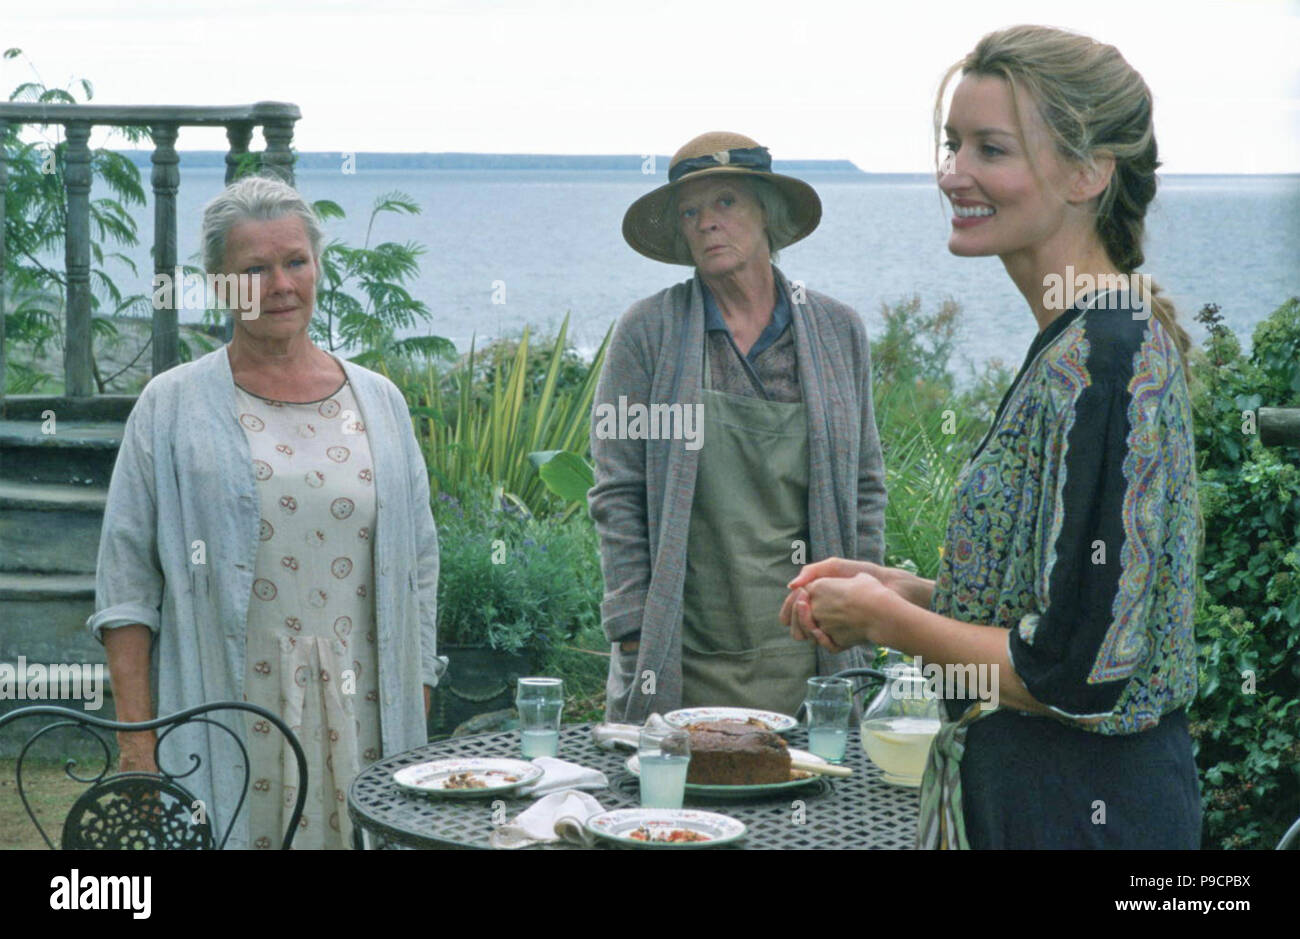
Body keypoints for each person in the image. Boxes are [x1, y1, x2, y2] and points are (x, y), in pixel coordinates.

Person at [784, 25, 1202, 849]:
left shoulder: (1108, 359)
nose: (953, 174)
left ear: (1088, 173)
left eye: (991, 148)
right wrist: (905, 591)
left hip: (1086, 815)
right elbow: (1057, 617)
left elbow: (1078, 676)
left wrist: (884, 622)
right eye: (952, 145)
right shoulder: (1080, 341)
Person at [88, 174, 446, 849]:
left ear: (317, 267)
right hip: (228, 712)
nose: (280, 284)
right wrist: (139, 750)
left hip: (366, 714)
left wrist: (414, 698)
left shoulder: (382, 403)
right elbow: (126, 588)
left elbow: (419, 566)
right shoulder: (170, 408)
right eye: (254, 268)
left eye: (295, 261)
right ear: (221, 284)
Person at [592, 131, 887, 722]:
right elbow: (617, 489)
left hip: (807, 645)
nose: (706, 223)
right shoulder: (648, 332)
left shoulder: (836, 330)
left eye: (725, 202)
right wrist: (631, 629)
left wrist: (862, 606)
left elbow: (864, 484)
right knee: (676, 808)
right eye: (690, 211)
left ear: (767, 214)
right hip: (683, 651)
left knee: (812, 797)